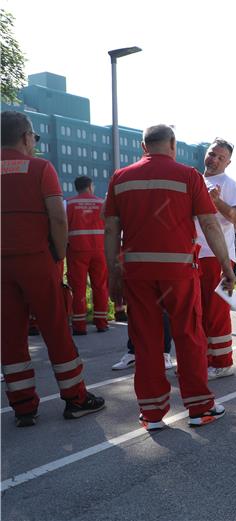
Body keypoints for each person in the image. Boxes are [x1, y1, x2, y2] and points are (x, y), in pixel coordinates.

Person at [104, 124, 235, 431]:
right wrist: (226, 268)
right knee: (188, 336)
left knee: (146, 339)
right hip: (178, 272)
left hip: (137, 273)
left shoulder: (120, 178)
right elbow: (210, 224)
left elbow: (111, 229)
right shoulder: (189, 176)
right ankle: (200, 408)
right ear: (172, 144)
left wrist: (113, 274)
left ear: (143, 147)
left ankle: (151, 414)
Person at [1, 111, 105, 427]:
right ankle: (76, 398)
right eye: (34, 138)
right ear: (26, 137)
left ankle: (23, 407)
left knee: (9, 335)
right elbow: (57, 218)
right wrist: (58, 254)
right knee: (56, 329)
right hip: (37, 259)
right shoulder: (41, 168)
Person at [194, 138, 236, 380]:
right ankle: (203, 358)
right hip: (194, 254)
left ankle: (222, 362)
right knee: (198, 311)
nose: (214, 159)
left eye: (220, 157)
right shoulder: (195, 180)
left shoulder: (229, 184)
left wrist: (216, 201)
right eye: (212, 154)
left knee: (216, 309)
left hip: (218, 255)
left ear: (228, 162)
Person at [65, 176, 109, 335]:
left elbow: (63, 226)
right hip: (99, 249)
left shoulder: (69, 204)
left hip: (77, 250)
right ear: (90, 186)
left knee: (78, 288)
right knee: (100, 286)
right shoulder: (101, 203)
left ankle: (79, 325)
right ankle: (101, 323)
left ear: (76, 188)